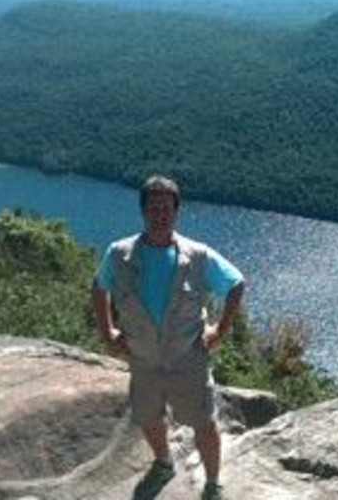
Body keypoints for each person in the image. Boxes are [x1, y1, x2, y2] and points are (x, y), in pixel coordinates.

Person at [92, 175, 244, 500]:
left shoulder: (198, 256)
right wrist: (107, 332)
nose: (160, 214)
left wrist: (219, 330)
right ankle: (163, 461)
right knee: (148, 416)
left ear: (176, 212)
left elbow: (236, 284)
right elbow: (99, 286)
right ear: (143, 211)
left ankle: (213, 483)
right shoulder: (119, 254)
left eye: (166, 207)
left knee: (203, 423)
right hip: (143, 358)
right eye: (153, 207)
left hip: (187, 358)